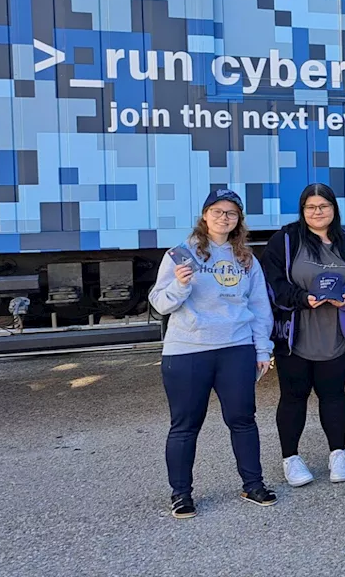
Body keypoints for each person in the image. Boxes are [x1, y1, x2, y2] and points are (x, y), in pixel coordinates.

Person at [149, 188, 275, 518]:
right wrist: (180, 284)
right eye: (217, 211)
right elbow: (161, 303)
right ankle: (181, 493)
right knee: (185, 425)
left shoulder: (246, 259)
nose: (224, 217)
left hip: (235, 348)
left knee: (243, 420)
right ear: (205, 216)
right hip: (189, 350)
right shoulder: (181, 254)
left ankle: (253, 484)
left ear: (238, 221)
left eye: (231, 213)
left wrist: (263, 349)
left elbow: (260, 307)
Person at [262, 183, 345, 488]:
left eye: (324, 206)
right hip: (295, 334)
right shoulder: (285, 240)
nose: (318, 212)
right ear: (302, 210)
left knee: (333, 395)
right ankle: (291, 458)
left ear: (334, 209)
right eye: (311, 207)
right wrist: (300, 298)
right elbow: (272, 283)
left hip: (335, 333)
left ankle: (338, 453)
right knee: (293, 397)